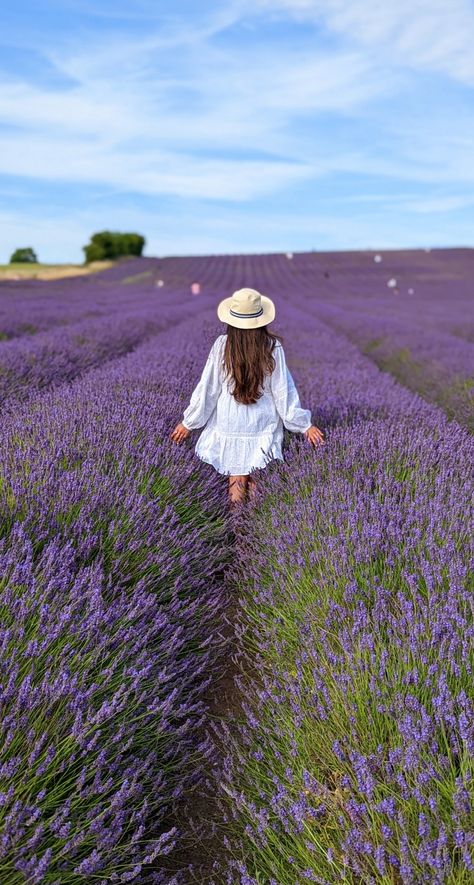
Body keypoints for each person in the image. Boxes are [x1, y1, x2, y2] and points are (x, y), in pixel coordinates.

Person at [170, 287, 325, 505]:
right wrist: (303, 425)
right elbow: (284, 392)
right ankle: (252, 526)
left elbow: (208, 388)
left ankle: (237, 531)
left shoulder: (222, 345)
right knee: (256, 478)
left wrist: (189, 422)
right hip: (262, 423)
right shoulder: (272, 346)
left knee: (236, 478)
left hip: (230, 421)